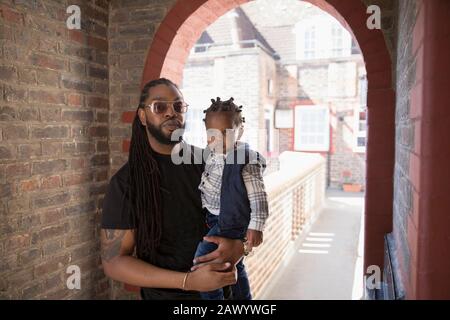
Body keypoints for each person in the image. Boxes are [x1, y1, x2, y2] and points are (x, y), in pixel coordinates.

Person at [100, 78, 245, 300]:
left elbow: (242, 215)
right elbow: (113, 262)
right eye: (160, 106)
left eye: (178, 106)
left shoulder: (213, 162)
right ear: (142, 116)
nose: (171, 113)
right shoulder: (126, 182)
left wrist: (240, 246)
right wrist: (187, 282)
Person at [193, 97, 269, 300]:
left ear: (240, 131)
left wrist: (256, 226)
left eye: (224, 134)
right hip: (215, 217)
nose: (216, 140)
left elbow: (258, 197)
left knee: (203, 258)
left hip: (231, 219)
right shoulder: (212, 155)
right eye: (211, 135)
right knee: (234, 263)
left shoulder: (245, 160)